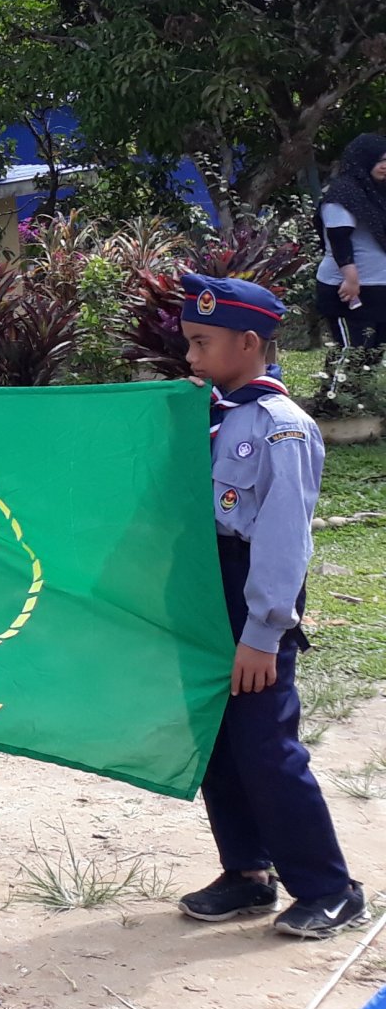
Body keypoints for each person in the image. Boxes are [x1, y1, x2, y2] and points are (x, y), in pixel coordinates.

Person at [175, 273, 368, 939]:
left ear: (249, 342)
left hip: (252, 592)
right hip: (206, 594)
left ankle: (330, 888)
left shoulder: (282, 428)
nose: (192, 357)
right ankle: (247, 872)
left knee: (265, 748)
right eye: (188, 342)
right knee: (218, 745)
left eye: (202, 342)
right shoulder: (209, 414)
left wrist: (263, 632)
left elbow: (284, 541)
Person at [318, 134, 386, 355]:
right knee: (351, 353)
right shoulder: (343, 193)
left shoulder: (377, 194)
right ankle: (337, 391)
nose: (384, 166)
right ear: (363, 159)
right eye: (379, 160)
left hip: (378, 287)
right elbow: (339, 238)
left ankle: (353, 391)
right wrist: (351, 279)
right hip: (348, 289)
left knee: (372, 355)